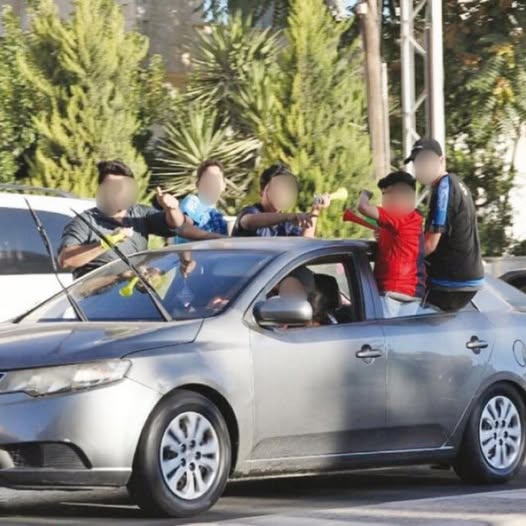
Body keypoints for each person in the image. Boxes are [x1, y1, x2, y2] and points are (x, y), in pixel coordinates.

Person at [59, 160, 219, 279]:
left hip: (138, 305)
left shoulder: (138, 213)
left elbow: (179, 225)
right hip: (97, 309)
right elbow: (66, 260)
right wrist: (107, 242)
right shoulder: (85, 222)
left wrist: (172, 208)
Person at [405, 138, 484, 311]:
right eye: (417, 163)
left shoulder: (445, 187)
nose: (420, 167)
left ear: (441, 160)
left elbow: (429, 244)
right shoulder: (455, 183)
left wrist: (402, 261)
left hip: (452, 282)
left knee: (410, 319)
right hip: (462, 279)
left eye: (426, 160)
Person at [357, 170, 425, 318]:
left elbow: (363, 207)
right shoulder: (414, 219)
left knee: (383, 332)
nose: (384, 201)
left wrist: (365, 194)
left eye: (386, 195)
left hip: (391, 293)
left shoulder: (397, 217)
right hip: (413, 293)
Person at [232, 164, 330, 238]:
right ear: (261, 192)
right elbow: (247, 222)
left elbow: (305, 243)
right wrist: (288, 217)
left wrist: (315, 209)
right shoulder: (251, 212)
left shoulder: (287, 225)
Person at [175, 160, 229, 243]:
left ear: (223, 186)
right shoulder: (192, 202)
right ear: (198, 184)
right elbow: (184, 229)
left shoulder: (220, 218)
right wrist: (223, 239)